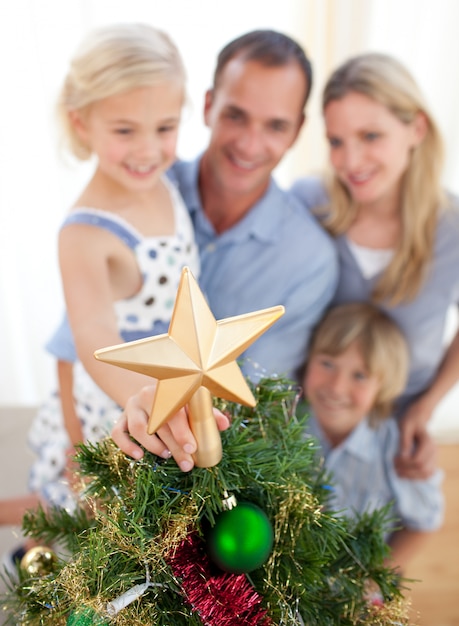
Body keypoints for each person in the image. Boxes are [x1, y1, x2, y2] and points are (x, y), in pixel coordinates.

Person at [0, 23, 206, 533]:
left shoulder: (166, 181)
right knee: (90, 525)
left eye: (164, 127)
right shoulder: (84, 233)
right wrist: (144, 397)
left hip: (174, 387)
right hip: (120, 401)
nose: (147, 150)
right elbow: (92, 335)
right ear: (81, 123)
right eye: (124, 130)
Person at [111, 30, 338, 467]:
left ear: (298, 131)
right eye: (236, 115)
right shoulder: (141, 190)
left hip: (194, 467)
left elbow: (254, 398)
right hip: (102, 433)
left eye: (275, 125)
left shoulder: (310, 260)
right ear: (209, 104)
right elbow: (76, 336)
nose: (251, 144)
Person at [290, 52, 459, 480]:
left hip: (394, 435)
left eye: (370, 135)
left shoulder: (451, 227)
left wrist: (426, 406)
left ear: (416, 129)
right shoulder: (310, 203)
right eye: (336, 141)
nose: (351, 161)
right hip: (308, 432)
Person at [302, 302, 443, 574]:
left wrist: (375, 579)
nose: (336, 387)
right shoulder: (284, 424)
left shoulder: (396, 445)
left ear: (383, 386)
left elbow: (423, 522)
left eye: (360, 375)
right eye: (327, 363)